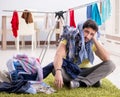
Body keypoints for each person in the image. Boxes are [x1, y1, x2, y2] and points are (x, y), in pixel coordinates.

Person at [43, 19, 115, 89]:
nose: (88, 36)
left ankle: (81, 83)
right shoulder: (69, 37)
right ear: (81, 29)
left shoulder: (92, 42)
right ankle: (92, 80)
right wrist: (58, 71)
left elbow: (107, 58)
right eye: (86, 32)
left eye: (92, 34)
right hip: (70, 71)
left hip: (86, 71)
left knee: (111, 65)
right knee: (55, 70)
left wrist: (95, 39)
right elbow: (58, 55)